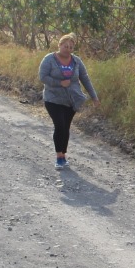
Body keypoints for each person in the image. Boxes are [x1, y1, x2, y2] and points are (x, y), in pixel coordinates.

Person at [38, 33, 98, 170]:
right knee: (59, 125)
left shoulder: (76, 61)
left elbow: (85, 78)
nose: (68, 49)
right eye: (65, 46)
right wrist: (59, 83)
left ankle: (63, 154)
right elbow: (42, 77)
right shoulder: (49, 59)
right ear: (59, 45)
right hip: (53, 98)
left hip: (72, 100)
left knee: (66, 127)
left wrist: (94, 97)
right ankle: (59, 157)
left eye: (71, 47)